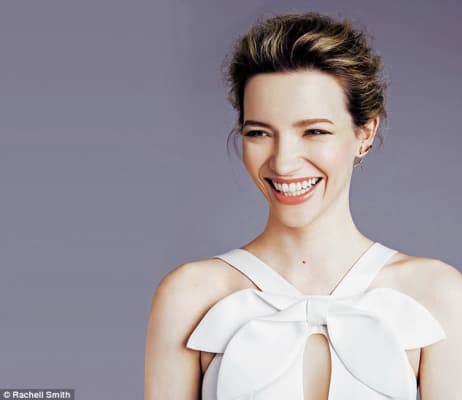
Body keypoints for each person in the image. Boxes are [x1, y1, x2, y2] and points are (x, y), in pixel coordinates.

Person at [144, 11, 462, 399]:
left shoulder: (437, 294)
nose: (283, 162)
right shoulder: (189, 295)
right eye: (259, 133)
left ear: (365, 133)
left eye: (314, 131)